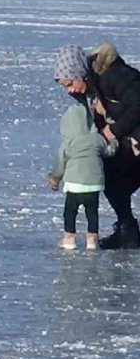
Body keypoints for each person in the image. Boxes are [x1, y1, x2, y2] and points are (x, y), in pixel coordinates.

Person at [54, 44, 140, 249]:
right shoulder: (89, 90)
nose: (70, 90)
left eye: (70, 83)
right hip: (129, 142)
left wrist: (114, 131)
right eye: (66, 87)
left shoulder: (115, 75)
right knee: (108, 176)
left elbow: (137, 104)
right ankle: (128, 232)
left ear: (80, 72)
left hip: (132, 138)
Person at [47, 95, 116, 250]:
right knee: (92, 212)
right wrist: (113, 139)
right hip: (94, 184)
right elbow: (110, 151)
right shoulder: (97, 139)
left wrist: (54, 178)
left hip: (74, 184)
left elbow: (60, 162)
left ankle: (69, 239)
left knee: (70, 212)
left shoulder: (69, 142)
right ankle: (92, 240)